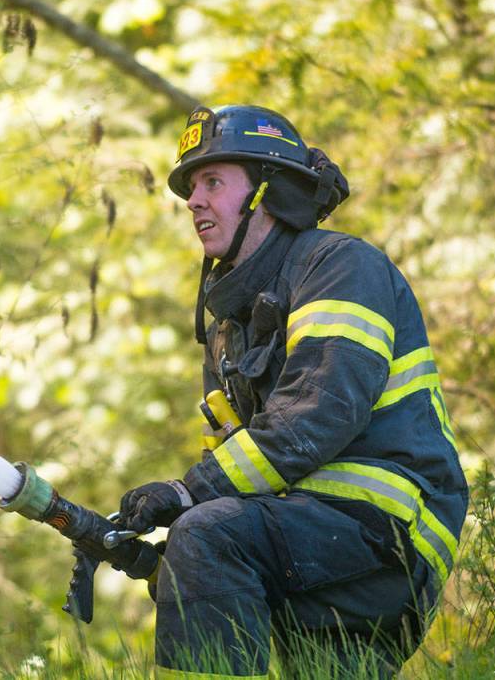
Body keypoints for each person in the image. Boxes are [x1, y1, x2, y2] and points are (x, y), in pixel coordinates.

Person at [117, 105, 468, 678]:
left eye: (212, 181)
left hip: (384, 525)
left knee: (206, 536)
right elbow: (239, 457)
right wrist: (170, 550)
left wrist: (188, 501)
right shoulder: (229, 329)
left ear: (267, 191)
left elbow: (311, 419)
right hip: (316, 534)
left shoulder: (339, 268)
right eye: (191, 187)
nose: (193, 201)